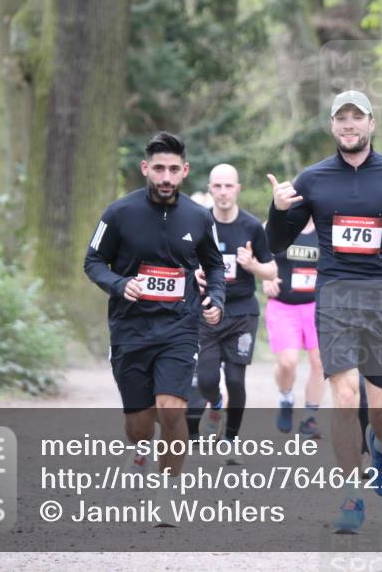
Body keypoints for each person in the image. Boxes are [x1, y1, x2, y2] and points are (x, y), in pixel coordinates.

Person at [266, 90, 382, 533]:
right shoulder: (312, 180)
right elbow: (276, 242)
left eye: (358, 118)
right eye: (341, 119)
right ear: (332, 127)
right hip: (334, 300)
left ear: (371, 124)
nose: (349, 126)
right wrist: (276, 212)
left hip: (381, 301)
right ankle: (351, 497)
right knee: (345, 399)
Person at [83, 131, 225, 525]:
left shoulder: (199, 217)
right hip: (130, 328)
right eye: (158, 168)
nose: (166, 176)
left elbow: (214, 265)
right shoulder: (118, 213)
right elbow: (93, 261)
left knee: (172, 410)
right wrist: (118, 284)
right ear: (146, 168)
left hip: (180, 326)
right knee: (140, 423)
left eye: (173, 170)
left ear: (185, 172)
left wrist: (216, 300)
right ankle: (141, 447)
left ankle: (169, 491)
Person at [196, 163, 276, 464]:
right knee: (205, 379)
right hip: (207, 311)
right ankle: (215, 405)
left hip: (242, 312)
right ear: (210, 189)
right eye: (217, 186)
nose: (223, 192)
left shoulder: (252, 226)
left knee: (235, 379)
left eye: (229, 186)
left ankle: (230, 440)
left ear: (238, 189)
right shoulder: (198, 223)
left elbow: (271, 271)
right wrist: (195, 272)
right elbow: (182, 261)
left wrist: (252, 265)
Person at [262, 217, 324, 438]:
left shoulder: (325, 224)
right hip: (283, 305)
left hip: (316, 305)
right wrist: (266, 278)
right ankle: (286, 397)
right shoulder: (278, 224)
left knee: (320, 363)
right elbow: (261, 255)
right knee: (288, 362)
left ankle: (309, 418)